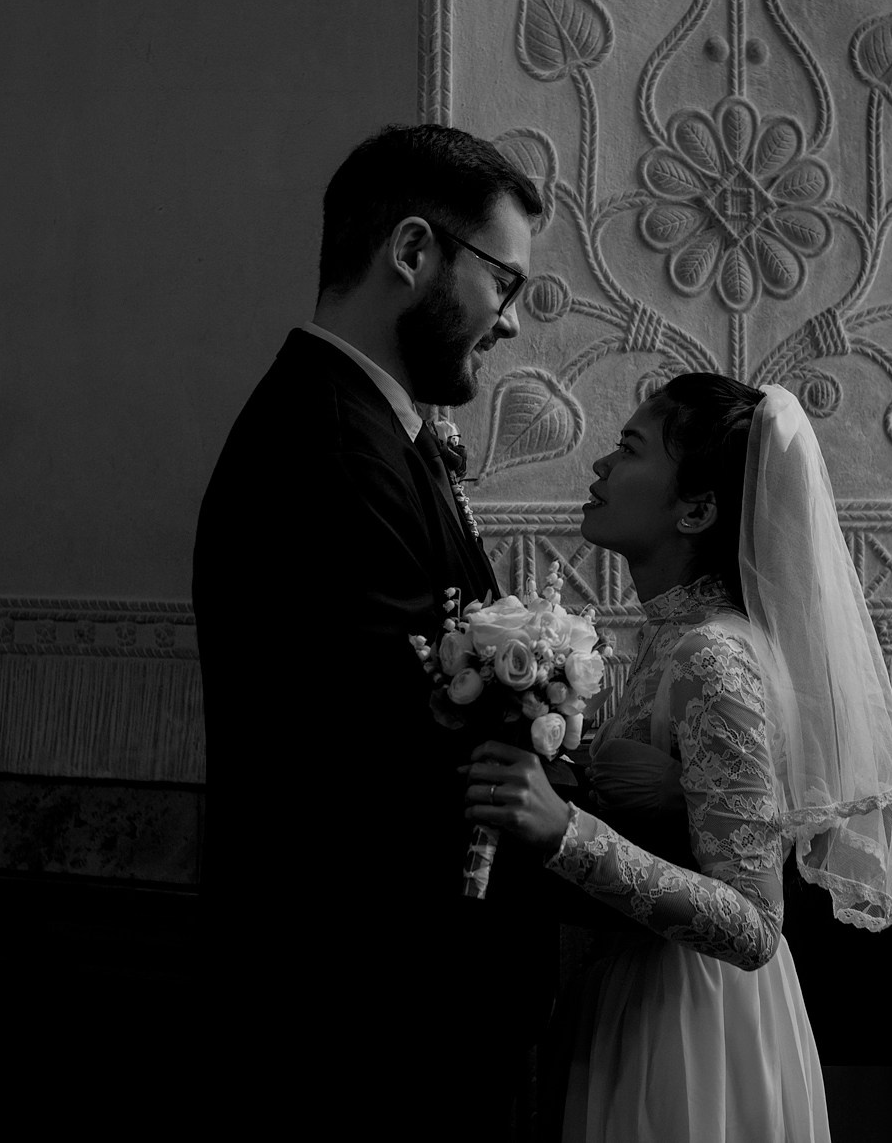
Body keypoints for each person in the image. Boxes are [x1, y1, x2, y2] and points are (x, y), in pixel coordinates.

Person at [192, 124, 549, 1131]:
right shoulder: (334, 453)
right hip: (367, 1018)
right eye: (505, 284)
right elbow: (398, 757)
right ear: (411, 253)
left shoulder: (372, 431)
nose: (511, 323)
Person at [462, 375, 892, 1142]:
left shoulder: (713, 656)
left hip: (696, 1029)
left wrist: (563, 830)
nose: (601, 465)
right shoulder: (674, 637)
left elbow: (753, 924)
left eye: (630, 448)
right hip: (638, 995)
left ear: (698, 508)